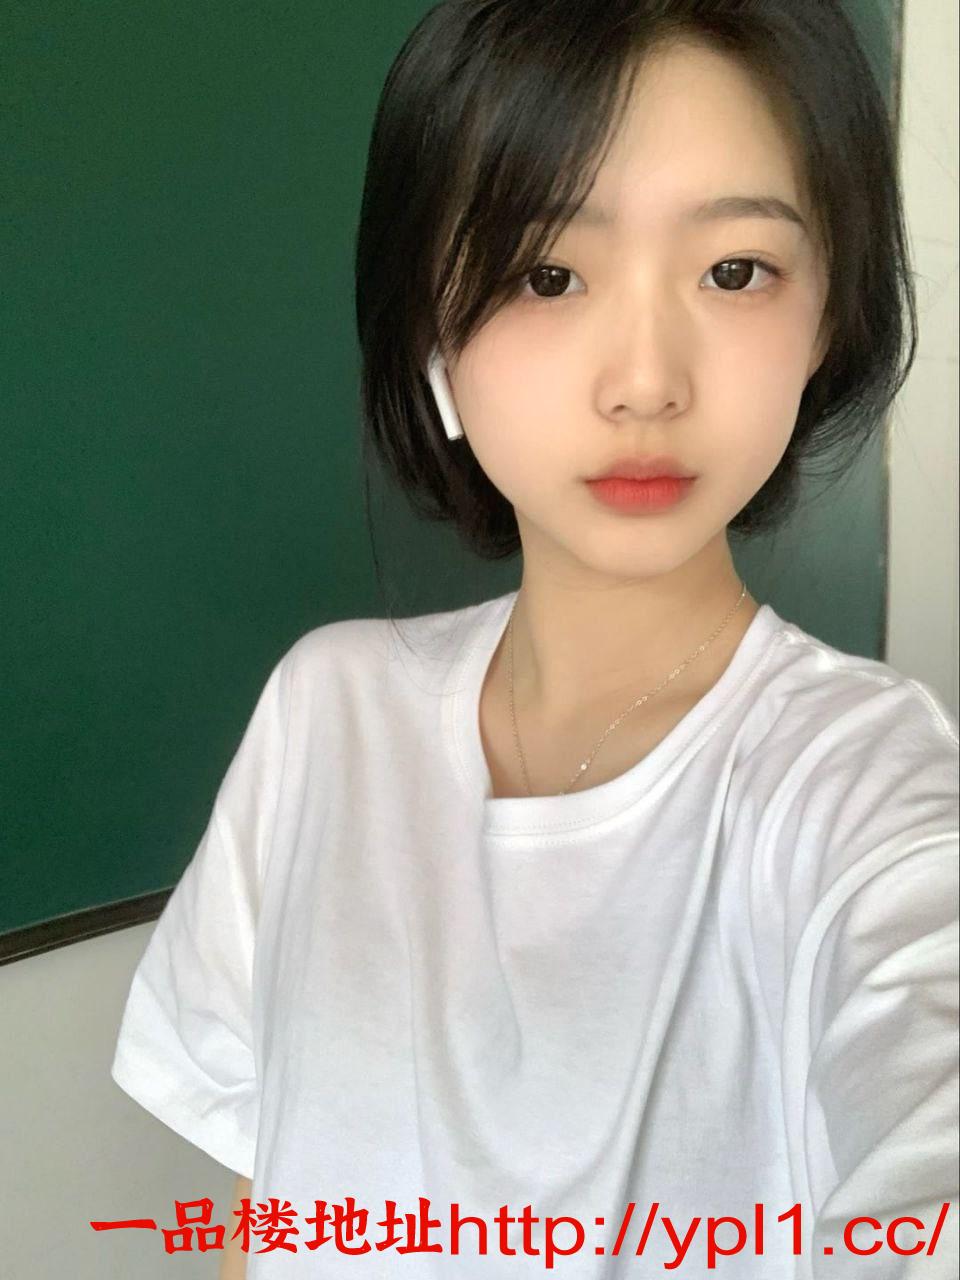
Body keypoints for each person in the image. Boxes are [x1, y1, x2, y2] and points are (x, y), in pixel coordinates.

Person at [110, 2, 959, 1277]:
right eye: (547, 275)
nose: (646, 380)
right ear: (429, 328)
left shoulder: (865, 786)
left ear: (828, 314)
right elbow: (265, 1199)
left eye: (736, 271)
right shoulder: (326, 714)